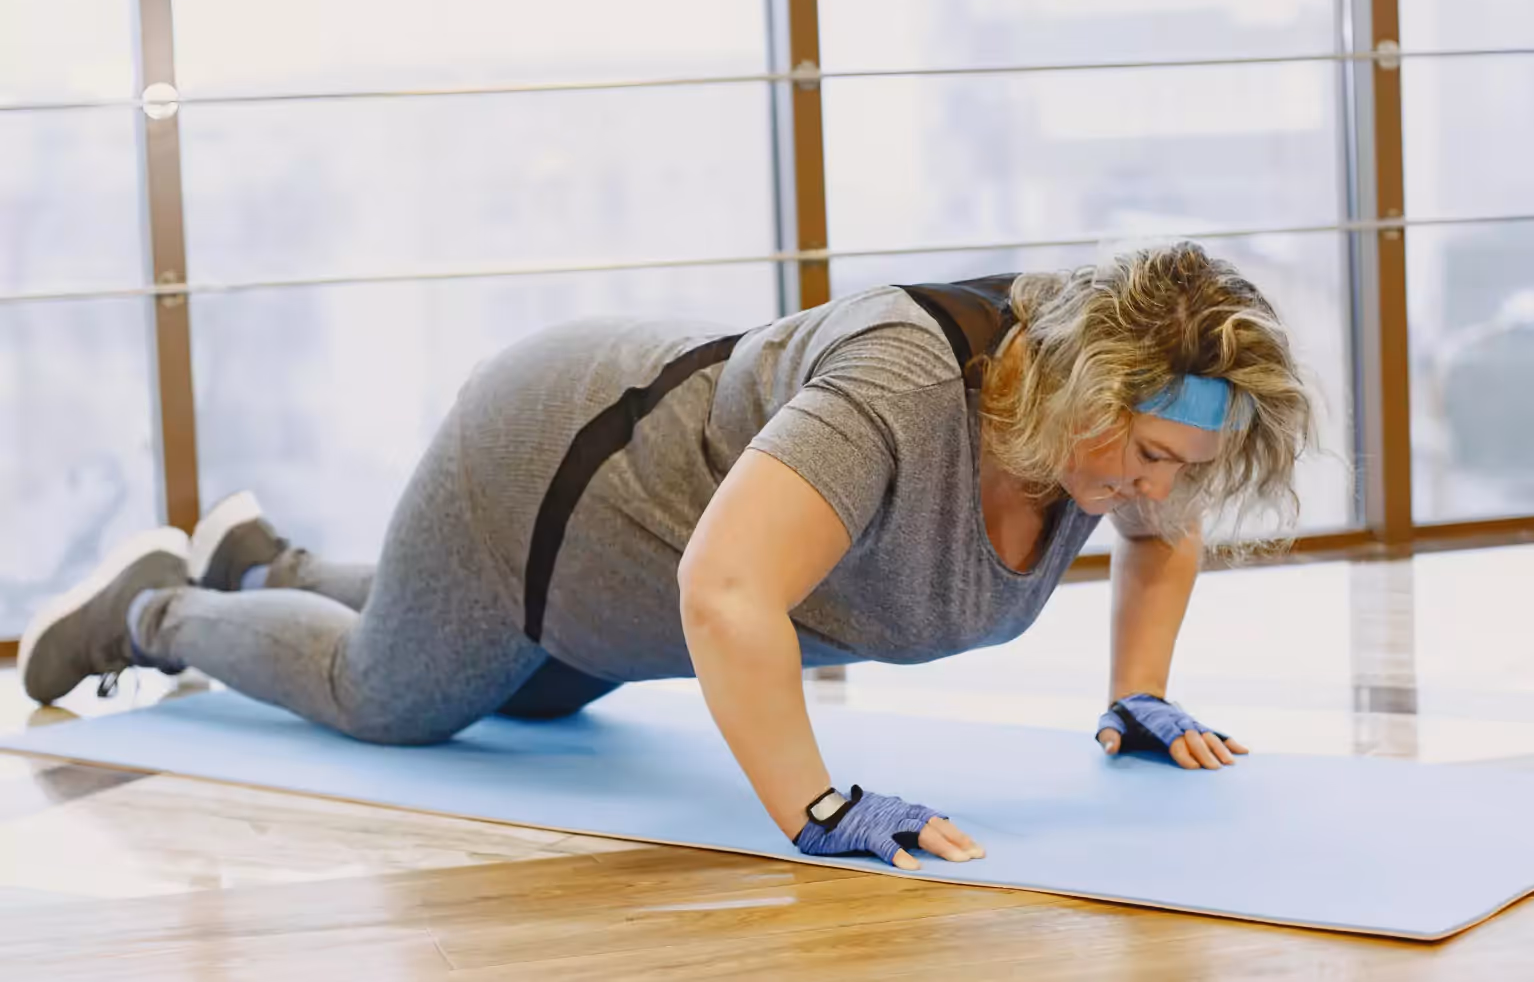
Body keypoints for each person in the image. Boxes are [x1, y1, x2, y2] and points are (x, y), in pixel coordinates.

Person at [19, 240, 1313, 872]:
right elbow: (723, 587)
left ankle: (266, 557)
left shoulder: (1115, 419)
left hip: (645, 552)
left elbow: (1160, 538)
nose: (1145, 490)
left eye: (1176, 465)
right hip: (563, 467)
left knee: (523, 681)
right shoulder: (903, 389)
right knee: (398, 693)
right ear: (1067, 384)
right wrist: (815, 806)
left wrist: (1135, 694)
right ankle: (161, 610)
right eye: (1136, 454)